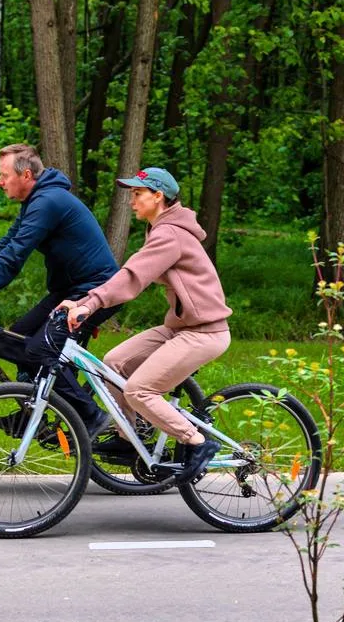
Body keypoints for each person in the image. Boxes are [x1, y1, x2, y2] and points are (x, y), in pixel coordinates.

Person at [60, 167, 231, 481]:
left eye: (138, 194)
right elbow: (132, 274)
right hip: (181, 328)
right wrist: (87, 300)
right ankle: (133, 438)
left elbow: (132, 275)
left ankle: (198, 442)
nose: (132, 201)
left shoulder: (170, 234)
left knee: (140, 390)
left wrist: (90, 303)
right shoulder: (162, 228)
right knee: (111, 364)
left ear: (158, 196)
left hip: (204, 332)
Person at [0, 144, 118, 436]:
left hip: (94, 291)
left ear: (26, 175)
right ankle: (35, 413)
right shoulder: (36, 201)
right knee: (20, 337)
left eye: (4, 175)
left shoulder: (48, 202)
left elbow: (16, 255)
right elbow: (7, 243)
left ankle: (91, 417)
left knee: (38, 351)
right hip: (69, 290)